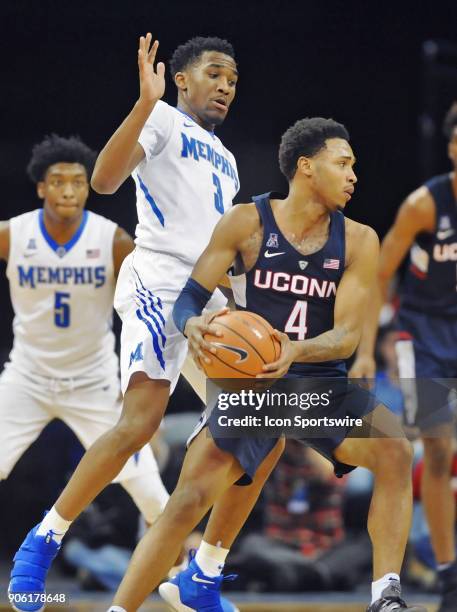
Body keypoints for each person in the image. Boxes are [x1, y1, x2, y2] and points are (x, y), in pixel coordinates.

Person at [105, 118, 426, 612]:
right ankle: (125, 606)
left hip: (316, 383)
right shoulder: (246, 223)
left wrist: (297, 351)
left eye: (354, 166)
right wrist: (192, 325)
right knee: (188, 500)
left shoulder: (360, 239)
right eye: (342, 163)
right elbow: (189, 299)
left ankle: (386, 594)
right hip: (253, 387)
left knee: (396, 452)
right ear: (306, 167)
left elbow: (347, 337)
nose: (353, 175)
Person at [9, 34, 240, 612]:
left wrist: (238, 306)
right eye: (215, 74)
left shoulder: (230, 161)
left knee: (257, 427)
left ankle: (201, 578)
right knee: (139, 423)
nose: (225, 87)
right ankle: (43, 542)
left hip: (209, 294)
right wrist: (143, 103)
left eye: (233, 81)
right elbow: (106, 182)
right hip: (157, 279)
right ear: (181, 79)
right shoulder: (161, 118)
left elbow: (226, 249)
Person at [3, 135, 169, 607]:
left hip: (94, 383)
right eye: (58, 182)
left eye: (78, 182)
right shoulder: (14, 234)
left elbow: (152, 289)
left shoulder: (111, 239)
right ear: (41, 188)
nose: (69, 190)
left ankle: (183, 582)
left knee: (152, 492)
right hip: (27, 379)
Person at [350, 101, 457, 612]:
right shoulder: (424, 205)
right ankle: (447, 576)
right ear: (453, 148)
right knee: (437, 450)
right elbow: (378, 272)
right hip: (424, 335)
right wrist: (369, 347)